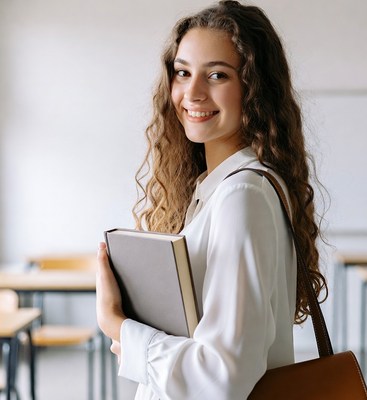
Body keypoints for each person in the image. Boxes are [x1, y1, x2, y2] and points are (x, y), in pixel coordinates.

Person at [96, 1, 327, 399]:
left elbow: (222, 378)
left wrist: (116, 323)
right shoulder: (217, 190)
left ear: (255, 89)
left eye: (217, 75)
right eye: (182, 73)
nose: (193, 93)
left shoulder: (242, 195)